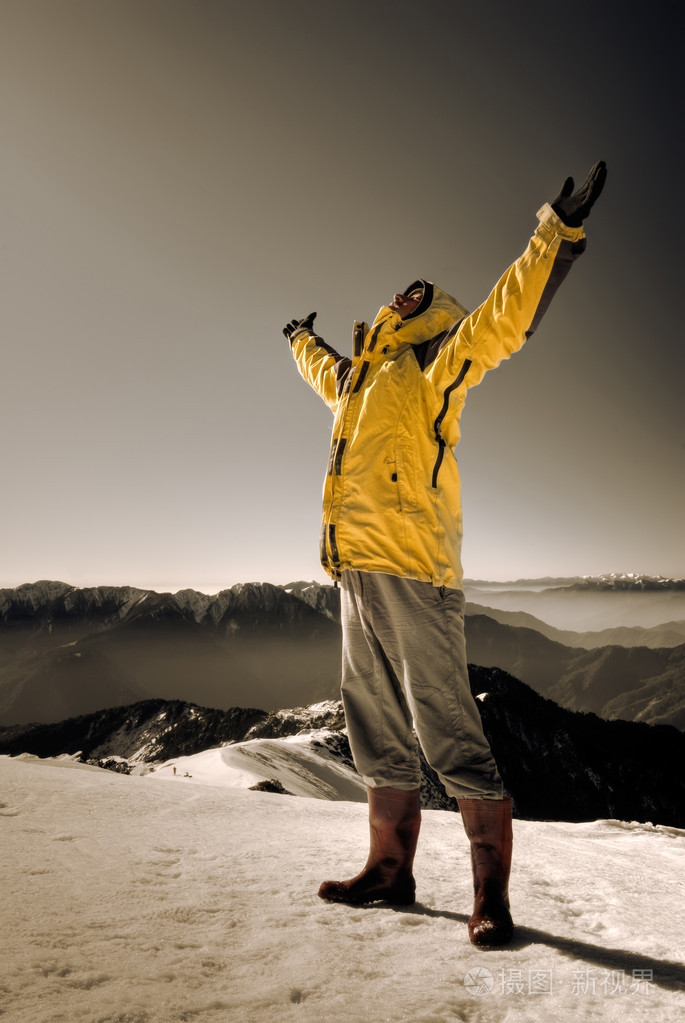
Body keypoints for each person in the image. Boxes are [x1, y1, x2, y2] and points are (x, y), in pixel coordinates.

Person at [283, 162, 607, 947]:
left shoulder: (432, 364)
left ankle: (489, 894)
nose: (401, 296)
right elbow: (327, 371)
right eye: (399, 292)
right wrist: (300, 339)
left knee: (447, 730)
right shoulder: (359, 378)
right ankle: (389, 870)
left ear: (427, 314)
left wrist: (553, 236)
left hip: (414, 571)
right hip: (354, 568)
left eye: (415, 295)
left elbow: (504, 319)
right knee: (374, 724)